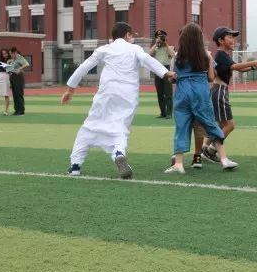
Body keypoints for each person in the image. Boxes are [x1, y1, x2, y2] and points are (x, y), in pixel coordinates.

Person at [62, 22, 175, 179]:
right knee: (121, 128)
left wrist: (70, 88)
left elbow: (84, 67)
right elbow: (147, 60)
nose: (133, 39)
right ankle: (118, 152)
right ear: (127, 35)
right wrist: (166, 73)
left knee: (89, 125)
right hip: (127, 95)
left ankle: (75, 166)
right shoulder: (134, 49)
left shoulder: (105, 49)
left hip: (106, 93)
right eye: (132, 36)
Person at [166, 23, 237, 174]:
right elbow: (211, 77)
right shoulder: (207, 55)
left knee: (181, 126)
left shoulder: (177, 56)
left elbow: (172, 79)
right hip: (201, 93)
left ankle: (178, 164)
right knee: (210, 124)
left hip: (183, 93)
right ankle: (224, 159)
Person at [201, 27, 257, 164]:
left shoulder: (223, 56)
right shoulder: (221, 55)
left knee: (217, 123)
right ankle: (210, 150)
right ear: (221, 40)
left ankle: (203, 149)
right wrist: (253, 62)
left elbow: (237, 68)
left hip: (217, 90)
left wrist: (253, 67)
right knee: (230, 125)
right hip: (220, 91)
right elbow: (235, 67)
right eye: (229, 37)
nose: (233, 40)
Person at [149, 29, 175, 118]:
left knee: (168, 92)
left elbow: (173, 55)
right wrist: (156, 43)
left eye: (162, 37)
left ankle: (169, 113)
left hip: (167, 70)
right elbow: (149, 54)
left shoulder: (169, 47)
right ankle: (162, 113)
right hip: (158, 70)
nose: (160, 39)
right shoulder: (155, 47)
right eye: (158, 37)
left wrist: (166, 44)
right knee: (160, 93)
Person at [9, 47, 29, 116]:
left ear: (15, 53)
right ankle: (16, 110)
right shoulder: (12, 60)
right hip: (13, 77)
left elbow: (26, 64)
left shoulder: (19, 58)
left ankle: (21, 111)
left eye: (11, 53)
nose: (10, 55)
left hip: (18, 77)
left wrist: (19, 69)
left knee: (19, 94)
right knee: (14, 95)